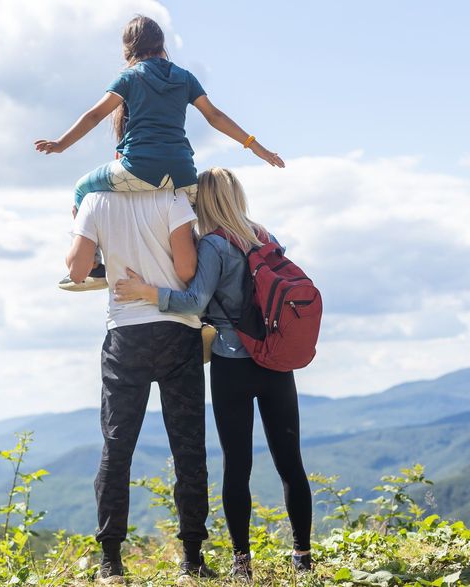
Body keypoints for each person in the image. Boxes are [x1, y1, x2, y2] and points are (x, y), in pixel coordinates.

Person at [113, 167, 314, 580]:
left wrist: (147, 293)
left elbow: (193, 300)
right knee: (290, 462)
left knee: (236, 467)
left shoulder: (213, 245)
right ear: (236, 196)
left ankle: (242, 565)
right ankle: (303, 558)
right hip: (276, 363)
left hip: (231, 364)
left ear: (201, 201)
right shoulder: (263, 235)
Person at [37, 14, 284, 291]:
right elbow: (214, 116)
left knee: (82, 188)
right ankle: (204, 284)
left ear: (129, 47)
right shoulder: (185, 77)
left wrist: (60, 143)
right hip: (182, 176)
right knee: (186, 239)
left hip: (138, 169)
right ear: (161, 43)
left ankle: (94, 267)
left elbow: (95, 116)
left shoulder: (130, 77)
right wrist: (256, 146)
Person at [67, 186, 215, 584]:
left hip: (125, 334)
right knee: (188, 447)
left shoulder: (96, 200)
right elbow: (186, 272)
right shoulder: (173, 199)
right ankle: (191, 560)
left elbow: (77, 270)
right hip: (176, 331)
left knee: (117, 445)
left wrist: (80, 225)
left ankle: (111, 562)